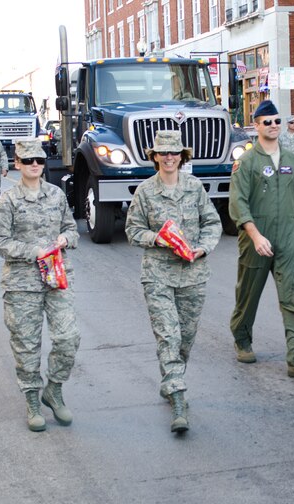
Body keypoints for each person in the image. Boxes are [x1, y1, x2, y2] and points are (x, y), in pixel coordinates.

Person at [125, 130, 222, 433]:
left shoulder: (194, 188)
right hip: (158, 274)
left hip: (193, 273)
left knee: (185, 338)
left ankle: (170, 379)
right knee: (168, 335)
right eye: (163, 153)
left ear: (182, 156)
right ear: (154, 156)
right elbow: (133, 230)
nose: (169, 158)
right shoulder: (145, 191)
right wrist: (159, 239)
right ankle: (178, 399)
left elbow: (212, 222)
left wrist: (203, 247)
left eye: (174, 153)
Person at [0, 139, 80, 432]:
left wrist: (66, 238)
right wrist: (35, 251)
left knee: (68, 337)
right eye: (28, 161)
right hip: (22, 284)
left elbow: (71, 227)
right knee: (27, 345)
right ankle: (32, 401)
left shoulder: (56, 195)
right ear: (17, 164)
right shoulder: (8, 201)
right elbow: (1, 243)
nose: (34, 166)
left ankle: (53, 389)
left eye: (39, 161)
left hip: (56, 278)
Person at [228, 100, 294, 380]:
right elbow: (238, 203)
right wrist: (255, 235)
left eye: (277, 121)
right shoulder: (246, 162)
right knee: (248, 295)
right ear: (256, 126)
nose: (273, 126)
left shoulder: (292, 161)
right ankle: (242, 339)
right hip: (256, 236)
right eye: (267, 121)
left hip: (287, 236)